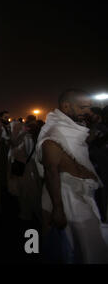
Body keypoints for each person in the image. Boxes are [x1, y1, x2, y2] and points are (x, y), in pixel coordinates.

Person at [36, 89, 108, 263]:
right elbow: (51, 173)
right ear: (66, 106)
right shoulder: (54, 134)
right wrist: (58, 209)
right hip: (68, 198)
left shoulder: (72, 128)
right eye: (84, 108)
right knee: (84, 249)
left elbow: (80, 145)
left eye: (90, 108)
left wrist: (93, 128)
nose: (88, 112)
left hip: (84, 194)